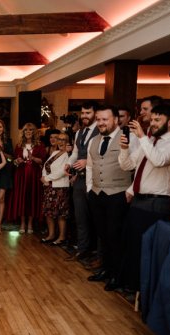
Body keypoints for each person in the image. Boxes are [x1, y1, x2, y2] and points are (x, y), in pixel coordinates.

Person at [117, 104, 170, 292]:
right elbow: (128, 165)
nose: (152, 123)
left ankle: (147, 292)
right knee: (133, 247)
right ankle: (133, 287)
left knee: (149, 251)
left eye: (158, 120)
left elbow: (158, 160)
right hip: (139, 200)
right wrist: (124, 149)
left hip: (157, 203)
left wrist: (141, 137)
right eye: (152, 119)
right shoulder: (149, 141)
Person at [85, 106, 132, 291]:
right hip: (97, 194)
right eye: (98, 119)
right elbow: (90, 165)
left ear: (115, 120)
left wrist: (130, 191)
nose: (101, 123)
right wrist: (89, 189)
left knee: (115, 236)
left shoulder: (128, 139)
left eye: (105, 119)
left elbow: (135, 166)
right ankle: (106, 269)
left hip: (118, 194)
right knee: (103, 235)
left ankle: (117, 275)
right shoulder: (93, 140)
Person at [65, 101, 100, 260]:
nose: (84, 116)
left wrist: (88, 162)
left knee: (95, 217)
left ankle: (96, 253)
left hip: (95, 180)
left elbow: (103, 155)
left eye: (88, 113)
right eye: (83, 113)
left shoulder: (101, 130)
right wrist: (69, 163)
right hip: (80, 179)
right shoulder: (79, 133)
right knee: (80, 216)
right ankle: (82, 249)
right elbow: (75, 153)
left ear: (96, 114)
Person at [10, 122, 46, 234]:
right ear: (23, 132)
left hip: (34, 175)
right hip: (21, 175)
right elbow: (14, 161)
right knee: (22, 197)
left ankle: (30, 224)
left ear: (34, 132)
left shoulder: (40, 145)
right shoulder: (19, 145)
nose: (28, 132)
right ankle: (22, 223)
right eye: (26, 130)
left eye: (30, 130)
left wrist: (33, 157)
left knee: (31, 198)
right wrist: (17, 161)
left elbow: (42, 161)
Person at [40, 133, 70, 245]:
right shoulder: (55, 152)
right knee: (49, 212)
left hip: (60, 187)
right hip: (49, 186)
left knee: (60, 213)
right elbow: (45, 165)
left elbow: (63, 171)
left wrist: (46, 178)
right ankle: (51, 235)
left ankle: (61, 237)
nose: (61, 142)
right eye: (59, 139)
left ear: (68, 141)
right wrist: (43, 177)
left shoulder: (68, 155)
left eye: (64, 139)